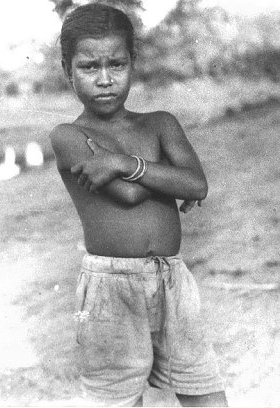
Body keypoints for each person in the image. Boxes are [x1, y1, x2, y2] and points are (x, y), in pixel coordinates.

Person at [50, 3, 228, 407]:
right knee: (117, 397)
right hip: (109, 288)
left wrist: (120, 162)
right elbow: (128, 195)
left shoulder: (161, 122)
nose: (105, 79)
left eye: (116, 64)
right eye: (89, 67)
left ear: (133, 62)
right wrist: (166, 175)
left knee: (204, 390)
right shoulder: (68, 135)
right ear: (67, 71)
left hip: (172, 280)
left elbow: (197, 185)